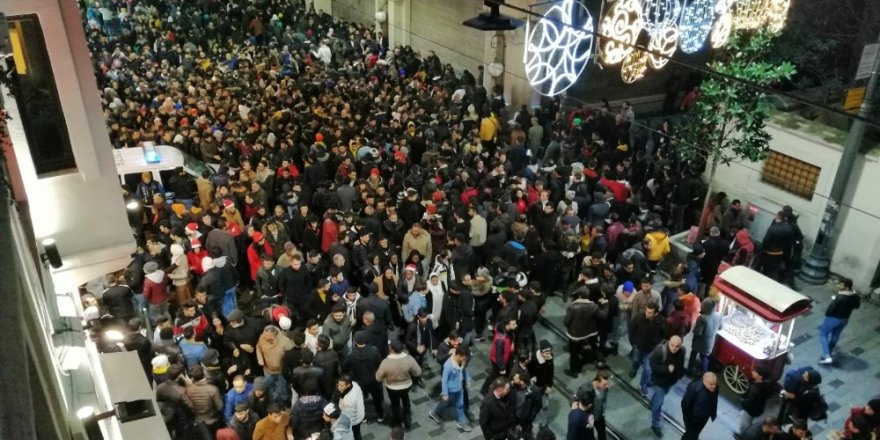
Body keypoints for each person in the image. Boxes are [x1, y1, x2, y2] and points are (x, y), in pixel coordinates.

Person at [375, 340, 422, 429]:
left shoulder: (385, 362)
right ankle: (408, 421)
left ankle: (397, 421)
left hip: (392, 388)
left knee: (395, 404)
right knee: (406, 401)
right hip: (406, 386)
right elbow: (418, 372)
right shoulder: (409, 359)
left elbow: (378, 378)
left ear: (392, 349)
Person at [564, 286, 609, 377]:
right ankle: (602, 359)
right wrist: (605, 304)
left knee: (574, 353)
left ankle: (573, 371)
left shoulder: (572, 307)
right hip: (590, 332)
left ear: (579, 295)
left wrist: (569, 327)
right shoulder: (593, 306)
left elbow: (566, 322)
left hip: (575, 335)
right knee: (594, 346)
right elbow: (603, 315)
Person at [649, 336, 686, 438]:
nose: (674, 348)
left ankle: (652, 402)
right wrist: (666, 369)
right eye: (672, 345)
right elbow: (652, 365)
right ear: (669, 342)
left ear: (681, 345)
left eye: (677, 346)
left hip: (670, 381)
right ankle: (655, 424)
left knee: (660, 396)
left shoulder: (682, 351)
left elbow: (681, 364)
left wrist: (679, 375)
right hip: (659, 381)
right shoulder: (660, 350)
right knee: (659, 403)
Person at [429, 347, 473, 432]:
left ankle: (461, 423)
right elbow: (444, 380)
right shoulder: (448, 365)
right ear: (459, 355)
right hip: (450, 390)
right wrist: (445, 393)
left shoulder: (461, 361)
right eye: (463, 358)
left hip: (459, 388)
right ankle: (435, 413)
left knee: (460, 405)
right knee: (445, 403)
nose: (464, 360)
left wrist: (467, 379)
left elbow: (463, 370)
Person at [344, 331, 384, 423]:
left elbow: (346, 368)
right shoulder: (374, 350)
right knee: (377, 398)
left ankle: (364, 417)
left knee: (361, 400)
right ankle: (380, 415)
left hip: (359, 381)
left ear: (355, 341)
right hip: (373, 380)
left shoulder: (352, 355)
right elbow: (379, 364)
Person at [819, 277, 861, 365]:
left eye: (841, 284)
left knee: (823, 334)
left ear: (846, 287)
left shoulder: (839, 298)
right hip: (845, 319)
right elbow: (857, 306)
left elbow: (829, 311)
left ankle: (827, 356)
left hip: (833, 319)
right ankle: (829, 351)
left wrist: (835, 300)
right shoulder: (855, 296)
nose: (838, 285)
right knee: (836, 334)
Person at [629, 302, 666, 397]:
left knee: (647, 369)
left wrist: (657, 344)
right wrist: (633, 342)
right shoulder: (639, 317)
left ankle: (642, 384)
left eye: (650, 313)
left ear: (656, 313)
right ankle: (634, 369)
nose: (647, 314)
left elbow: (663, 335)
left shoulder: (661, 321)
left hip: (651, 349)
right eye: (646, 311)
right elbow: (632, 328)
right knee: (635, 360)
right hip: (638, 346)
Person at [680, 372, 719, 440]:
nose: (714, 386)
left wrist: (713, 414)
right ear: (705, 382)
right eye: (711, 384)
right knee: (690, 435)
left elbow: (714, 401)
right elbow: (685, 405)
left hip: (703, 418)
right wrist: (688, 421)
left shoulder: (714, 389)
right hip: (693, 419)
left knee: (694, 434)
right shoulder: (694, 388)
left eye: (715, 384)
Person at [689, 297, 721, 375]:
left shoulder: (702, 318)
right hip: (710, 342)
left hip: (699, 342)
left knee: (693, 354)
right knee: (704, 358)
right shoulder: (719, 315)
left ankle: (690, 370)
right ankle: (704, 374)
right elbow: (720, 328)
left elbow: (697, 332)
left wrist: (693, 328)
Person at [740, 366, 775, 434]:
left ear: (760, 376)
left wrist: (741, 401)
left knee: (744, 425)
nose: (752, 372)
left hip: (749, 410)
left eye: (755, 372)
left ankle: (743, 435)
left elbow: (748, 402)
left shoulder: (755, 388)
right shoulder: (766, 385)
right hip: (758, 409)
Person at [334, 376, 366, 440]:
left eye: (342, 385)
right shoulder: (353, 384)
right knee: (356, 433)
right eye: (339, 384)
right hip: (352, 419)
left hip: (353, 421)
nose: (339, 387)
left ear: (348, 385)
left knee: (355, 434)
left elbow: (358, 412)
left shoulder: (350, 400)